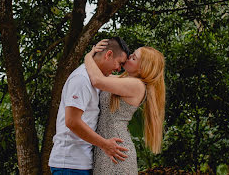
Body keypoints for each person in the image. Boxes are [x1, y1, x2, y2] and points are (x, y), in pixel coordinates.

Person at [49, 37, 131, 174]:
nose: (118, 69)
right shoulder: (81, 79)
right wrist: (105, 144)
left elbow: (126, 82)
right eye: (119, 63)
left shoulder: (96, 78)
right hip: (69, 164)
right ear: (108, 54)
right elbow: (72, 121)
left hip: (82, 163)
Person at [84, 39, 166, 175]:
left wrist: (88, 56)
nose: (129, 57)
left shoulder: (137, 86)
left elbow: (97, 80)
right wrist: (98, 54)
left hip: (116, 150)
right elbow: (101, 73)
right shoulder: (124, 80)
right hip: (108, 147)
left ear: (142, 67)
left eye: (134, 58)